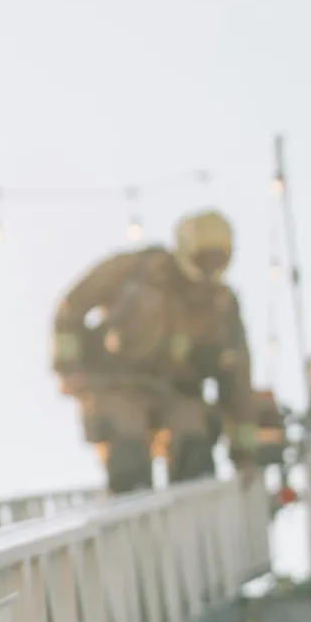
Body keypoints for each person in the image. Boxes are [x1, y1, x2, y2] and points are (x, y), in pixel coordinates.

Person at [51, 209, 259, 494]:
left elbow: (237, 378)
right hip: (118, 383)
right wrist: (68, 366)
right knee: (127, 441)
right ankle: (129, 505)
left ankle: (190, 508)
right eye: (204, 259)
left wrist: (244, 454)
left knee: (194, 439)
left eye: (218, 260)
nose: (211, 269)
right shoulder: (134, 271)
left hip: (180, 391)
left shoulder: (222, 305)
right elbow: (71, 307)